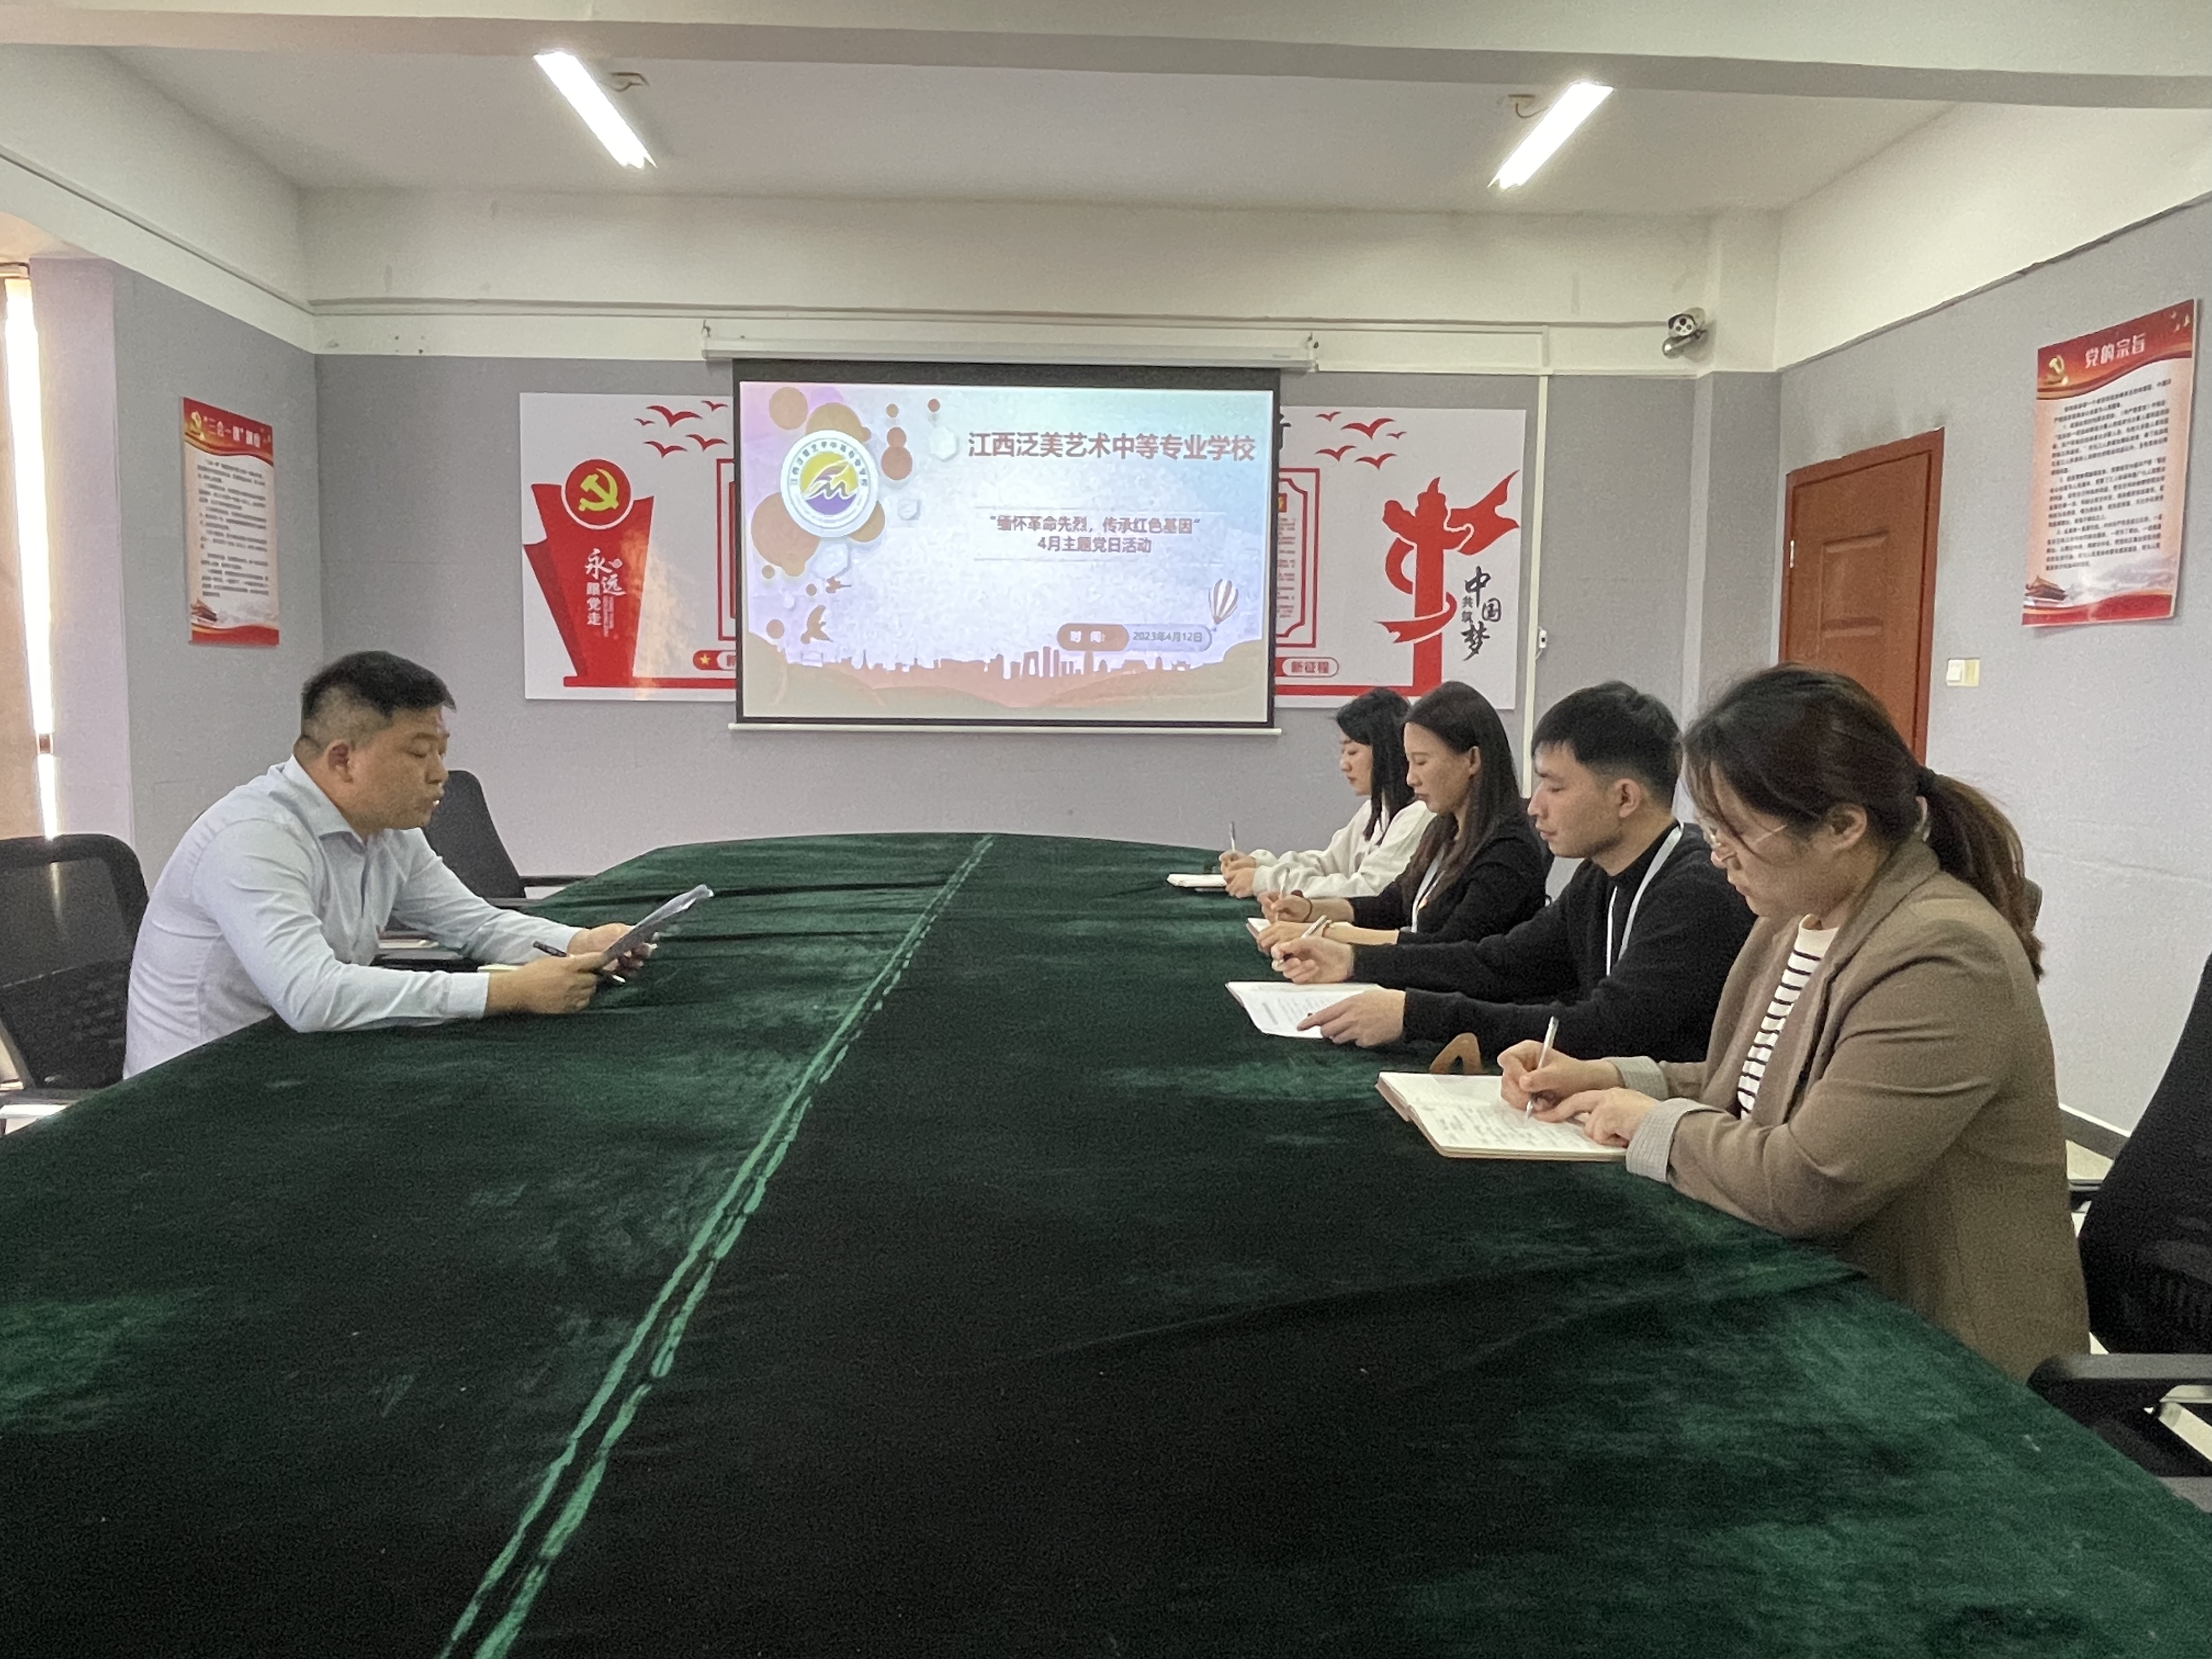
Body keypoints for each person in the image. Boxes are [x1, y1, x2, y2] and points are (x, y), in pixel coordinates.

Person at [1501, 664, 2087, 1379]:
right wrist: (1608, 1079)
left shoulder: (1943, 953)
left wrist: (1652, 1124)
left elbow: (1808, 1181)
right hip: (1826, 1289)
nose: (1718, 854)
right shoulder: (1799, 912)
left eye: (1737, 832)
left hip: (1939, 1350)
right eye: (1713, 827)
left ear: (1843, 825)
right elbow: (1751, 1086)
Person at [125, 652, 644, 1076]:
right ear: (343, 759)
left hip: (297, 1062)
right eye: (419, 754)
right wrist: (506, 992)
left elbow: (474, 925)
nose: (439, 774)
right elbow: (312, 996)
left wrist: (580, 943)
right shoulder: (253, 838)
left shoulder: (387, 829)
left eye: (441, 752)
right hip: (194, 1089)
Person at [1278, 681, 1752, 1059]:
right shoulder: (1599, 875)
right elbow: (1504, 962)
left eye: (1555, 788)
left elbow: (1605, 1028)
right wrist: (1357, 961)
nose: (1536, 807)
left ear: (1625, 797)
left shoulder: (1695, 891)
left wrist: (1415, 1015)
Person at [1251, 680, 1547, 956]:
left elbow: (1447, 951)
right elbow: (1395, 903)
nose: (1411, 778)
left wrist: (1329, 934)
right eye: (1408, 762)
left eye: (1422, 762)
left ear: (1472, 760)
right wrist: (1312, 910)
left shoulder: (1509, 851)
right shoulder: (1444, 828)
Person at [1217, 687, 1432, 899]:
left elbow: (1368, 891)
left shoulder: (1419, 814)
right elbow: (1329, 864)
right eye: (1343, 752)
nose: (1344, 764)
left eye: (1352, 752)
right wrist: (1262, 865)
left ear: (1386, 752)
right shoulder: (1377, 808)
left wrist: (1266, 880)